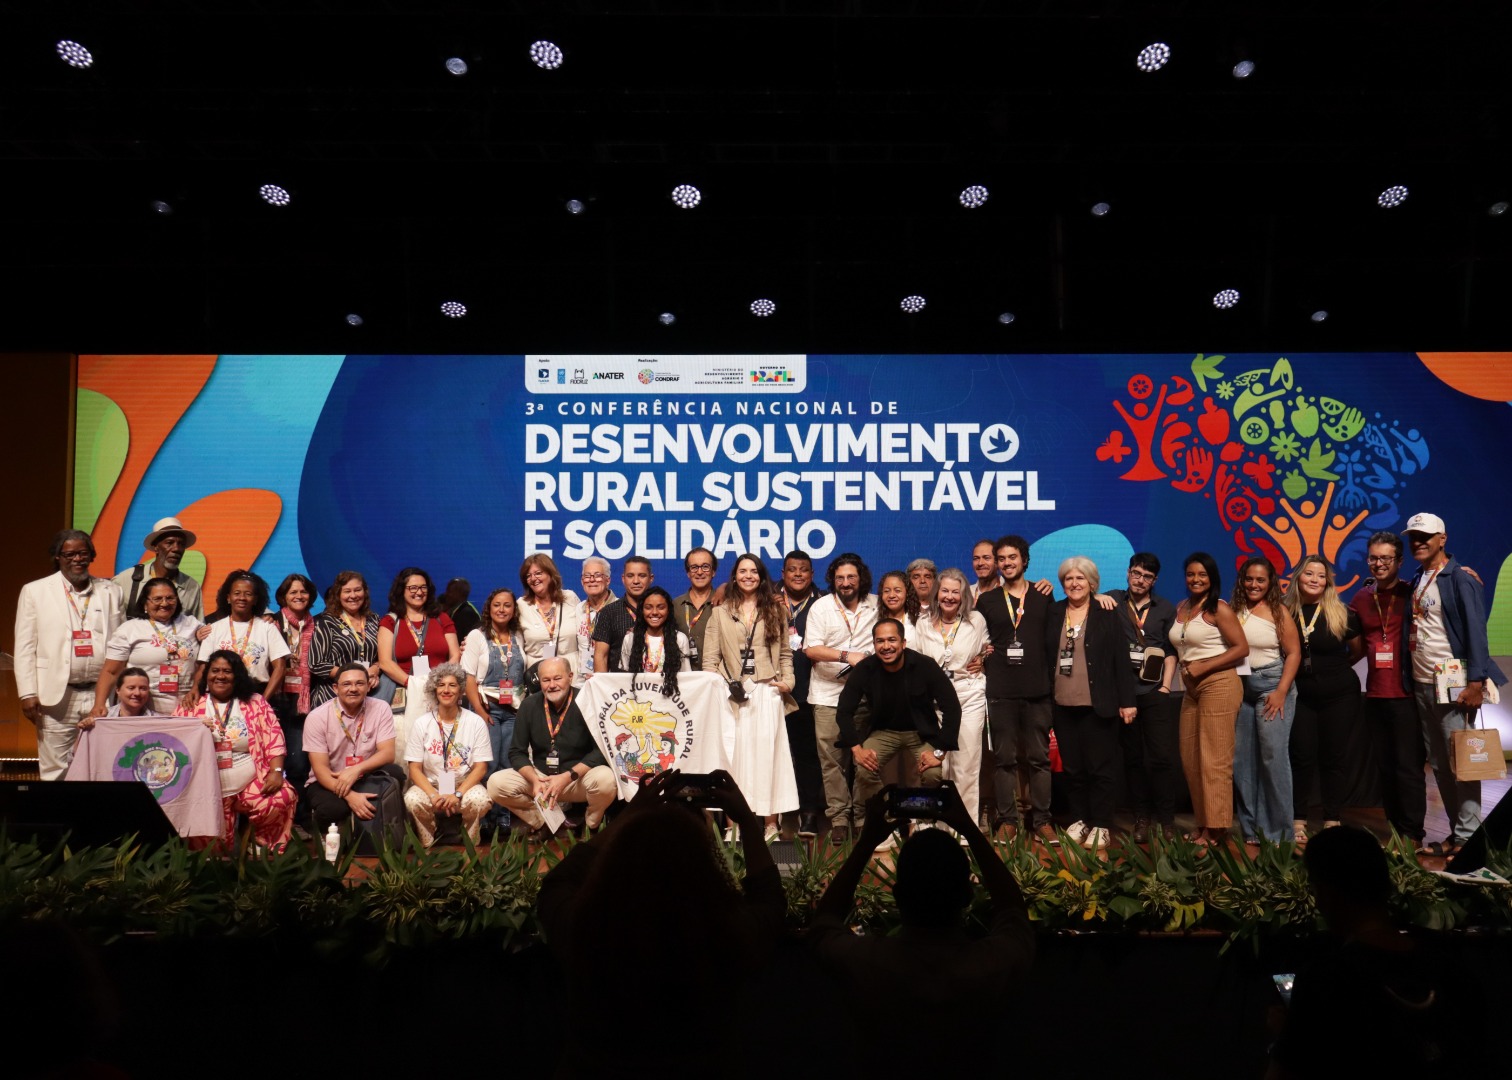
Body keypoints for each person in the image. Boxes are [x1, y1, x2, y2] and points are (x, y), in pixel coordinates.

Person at [537, 770, 785, 1076]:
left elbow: (559, 882)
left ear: (619, 860)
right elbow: (769, 898)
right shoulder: (722, 934)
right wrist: (746, 820)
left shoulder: (588, 930)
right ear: (704, 866)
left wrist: (630, 815)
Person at [808, 783, 1034, 1074]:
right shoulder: (992, 965)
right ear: (967, 896)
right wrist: (971, 831)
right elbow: (1014, 913)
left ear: (898, 896)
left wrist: (866, 843)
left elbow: (823, 923)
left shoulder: (867, 963)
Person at [1266, 825, 1484, 1078]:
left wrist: (1284, 1038)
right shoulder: (1449, 966)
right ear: (1386, 884)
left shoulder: (1327, 978)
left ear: (1326, 893)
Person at [1401, 511, 1507, 857]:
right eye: (1413, 537)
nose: (1418, 543)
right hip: (1421, 682)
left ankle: (1468, 838)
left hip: (1454, 683)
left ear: (1442, 539)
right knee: (1439, 762)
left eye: (1425, 537)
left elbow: (1477, 632)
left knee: (1461, 761)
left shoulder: (1459, 578)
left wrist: (1476, 681)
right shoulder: (1419, 577)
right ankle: (1458, 834)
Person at [835, 618, 961, 847]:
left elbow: (952, 708)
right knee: (863, 769)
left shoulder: (925, 665)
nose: (886, 646)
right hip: (884, 732)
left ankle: (922, 820)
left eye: (892, 640)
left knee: (933, 773)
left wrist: (940, 751)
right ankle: (890, 819)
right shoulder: (865, 668)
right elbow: (844, 711)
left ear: (903, 642)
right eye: (880, 641)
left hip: (921, 734)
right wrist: (856, 749)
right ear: (874, 644)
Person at [702, 555, 798, 841]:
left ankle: (771, 824)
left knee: (769, 758)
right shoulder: (720, 612)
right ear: (733, 577)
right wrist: (719, 686)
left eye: (753, 571)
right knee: (734, 761)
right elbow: (710, 658)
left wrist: (788, 681)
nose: (748, 576)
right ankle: (734, 825)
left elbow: (784, 653)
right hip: (732, 694)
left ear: (761, 576)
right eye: (742, 571)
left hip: (767, 690)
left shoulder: (776, 610)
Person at [1045, 557, 1138, 850]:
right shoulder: (1054, 611)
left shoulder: (1106, 611)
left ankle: (1101, 824)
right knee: (1073, 769)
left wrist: (1127, 701)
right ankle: (1080, 819)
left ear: (1092, 583)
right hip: (1062, 704)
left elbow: (1121, 660)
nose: (1074, 584)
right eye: (1069, 579)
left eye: (1080, 579)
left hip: (1099, 704)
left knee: (1100, 768)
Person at [15, 529, 123, 779]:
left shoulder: (110, 591)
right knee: (56, 769)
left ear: (91, 556)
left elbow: (119, 645)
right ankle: (57, 818)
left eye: (83, 553)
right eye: (70, 554)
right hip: (57, 696)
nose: (77, 559)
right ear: (58, 557)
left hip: (101, 694)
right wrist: (27, 692)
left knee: (103, 764)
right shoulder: (35, 591)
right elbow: (24, 646)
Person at [976, 534, 1056, 842]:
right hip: (1001, 691)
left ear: (1024, 560)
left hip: (1037, 691)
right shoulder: (987, 601)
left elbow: (1052, 641)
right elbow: (979, 641)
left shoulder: (1042, 594)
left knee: (1039, 760)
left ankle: (1042, 821)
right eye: (1001, 559)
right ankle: (1009, 820)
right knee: (1004, 760)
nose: (1007, 563)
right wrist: (979, 656)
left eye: (1012, 557)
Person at [1347, 531, 1424, 846]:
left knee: (1408, 767)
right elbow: (1355, 647)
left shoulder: (1412, 593)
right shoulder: (1360, 599)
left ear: (1399, 561)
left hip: (1406, 695)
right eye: (1373, 558)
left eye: (1385, 558)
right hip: (1375, 695)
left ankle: (1413, 834)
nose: (1378, 564)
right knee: (1386, 768)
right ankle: (1395, 829)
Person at [486, 656, 617, 840]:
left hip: (576, 777)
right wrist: (534, 780)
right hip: (542, 780)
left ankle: (590, 826)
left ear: (570, 677)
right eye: (546, 680)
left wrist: (567, 777)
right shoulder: (529, 705)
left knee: (606, 780)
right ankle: (545, 823)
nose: (552, 685)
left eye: (558, 678)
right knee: (496, 784)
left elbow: (601, 751)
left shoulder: (588, 701)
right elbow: (516, 752)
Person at [178, 649, 295, 852]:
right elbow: (175, 742)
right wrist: (196, 727)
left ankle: (261, 845)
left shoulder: (255, 702)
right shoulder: (192, 703)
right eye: (215, 670)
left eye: (227, 671)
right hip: (205, 790)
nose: (220, 676)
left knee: (282, 796)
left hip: (249, 783)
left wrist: (276, 772)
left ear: (237, 676)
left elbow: (273, 738)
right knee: (216, 853)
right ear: (207, 675)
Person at [1170, 552, 1248, 850]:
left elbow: (1241, 648)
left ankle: (1217, 829)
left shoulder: (1220, 609)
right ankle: (1203, 822)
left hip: (1220, 683)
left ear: (1212, 577)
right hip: (1191, 689)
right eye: (1191, 574)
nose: (1196, 579)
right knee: (1191, 758)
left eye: (1202, 574)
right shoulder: (1183, 607)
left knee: (1215, 759)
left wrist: (1205, 665)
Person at [801, 552, 879, 842]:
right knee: (832, 762)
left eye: (851, 577)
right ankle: (839, 819)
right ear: (833, 580)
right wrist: (849, 656)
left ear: (861, 579)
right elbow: (812, 650)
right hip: (826, 695)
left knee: (863, 760)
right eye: (840, 578)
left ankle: (861, 816)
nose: (845, 583)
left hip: (864, 696)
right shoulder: (821, 607)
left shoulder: (876, 604)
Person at [1284, 555, 1362, 842]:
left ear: (1328, 581)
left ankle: (1332, 818)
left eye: (1321, 575)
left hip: (1340, 696)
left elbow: (1356, 651)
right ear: (1297, 578)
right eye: (1309, 574)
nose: (1315, 579)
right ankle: (1298, 819)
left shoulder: (1343, 613)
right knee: (1301, 757)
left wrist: (1331, 673)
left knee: (1334, 758)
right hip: (1301, 696)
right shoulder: (1284, 611)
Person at [1104, 552, 1180, 842]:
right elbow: (1088, 598)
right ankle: (1141, 818)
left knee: (1161, 759)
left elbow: (1172, 651)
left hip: (1154, 692)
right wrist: (1099, 598)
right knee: (1132, 760)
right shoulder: (1113, 601)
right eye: (1136, 573)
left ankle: (1167, 820)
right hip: (1124, 696)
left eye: (1147, 576)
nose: (1140, 580)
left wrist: (1165, 687)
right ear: (1127, 573)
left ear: (1155, 580)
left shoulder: (1165, 608)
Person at [910, 567, 989, 832]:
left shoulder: (976, 620)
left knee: (966, 765)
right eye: (945, 590)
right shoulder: (922, 623)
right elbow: (915, 662)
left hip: (968, 694)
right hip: (934, 702)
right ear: (936, 593)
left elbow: (989, 648)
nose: (949, 597)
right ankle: (934, 827)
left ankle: (965, 829)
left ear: (964, 595)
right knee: (937, 767)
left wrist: (984, 660)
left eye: (956, 592)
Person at [1231, 557, 1301, 845]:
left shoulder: (1278, 611)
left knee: (1273, 758)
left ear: (1271, 582)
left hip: (1272, 686)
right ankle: (1251, 830)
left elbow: (1294, 653)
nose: (1254, 585)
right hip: (1240, 687)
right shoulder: (1232, 610)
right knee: (1242, 762)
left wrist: (1282, 691)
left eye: (1261, 579)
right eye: (1249, 579)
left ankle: (1279, 833)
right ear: (1242, 580)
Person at [301, 662, 401, 834]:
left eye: (359, 683)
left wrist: (356, 769)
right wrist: (350, 796)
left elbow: (388, 753)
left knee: (395, 773)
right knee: (333, 809)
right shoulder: (317, 717)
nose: (353, 689)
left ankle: (380, 838)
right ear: (335, 688)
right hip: (329, 780)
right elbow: (320, 770)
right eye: (346, 684)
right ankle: (328, 840)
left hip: (364, 775)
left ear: (368, 686)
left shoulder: (381, 708)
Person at [402, 661, 492, 847]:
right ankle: (428, 840)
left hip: (463, 784)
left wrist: (458, 794)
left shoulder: (475, 722)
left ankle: (470, 840)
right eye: (441, 685)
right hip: (431, 784)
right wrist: (434, 795)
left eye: (452, 685)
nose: (446, 690)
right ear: (434, 690)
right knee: (411, 799)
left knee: (480, 800)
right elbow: (415, 769)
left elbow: (481, 767)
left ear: (460, 691)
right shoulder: (422, 723)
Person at [90, 577, 201, 718]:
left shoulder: (192, 624)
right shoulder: (129, 629)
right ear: (145, 604)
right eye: (157, 599)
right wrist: (99, 704)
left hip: (187, 708)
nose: (164, 603)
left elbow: (206, 660)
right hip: (143, 708)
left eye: (170, 598)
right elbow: (111, 671)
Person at [376, 566, 459, 749]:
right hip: (403, 696)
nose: (419, 592)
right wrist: (412, 684)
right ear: (401, 591)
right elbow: (385, 662)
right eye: (412, 588)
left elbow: (455, 654)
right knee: (406, 749)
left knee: (439, 747)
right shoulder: (391, 621)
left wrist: (441, 683)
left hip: (440, 693)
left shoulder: (441, 618)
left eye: (423, 587)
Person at [781, 549, 826, 838]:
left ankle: (809, 812)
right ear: (783, 574)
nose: (798, 574)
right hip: (775, 690)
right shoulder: (768, 600)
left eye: (804, 570)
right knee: (776, 755)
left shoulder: (823, 603)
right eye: (792, 570)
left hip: (811, 690)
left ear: (811, 574)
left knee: (808, 755)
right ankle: (776, 812)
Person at [461, 587, 527, 782]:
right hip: (488, 709)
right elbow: (468, 677)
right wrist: (480, 712)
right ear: (489, 609)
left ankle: (505, 812)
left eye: (507, 605)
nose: (502, 609)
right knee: (488, 763)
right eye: (497, 605)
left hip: (514, 709)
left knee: (509, 763)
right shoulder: (477, 636)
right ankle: (487, 811)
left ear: (514, 610)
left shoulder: (519, 636)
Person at [193, 569, 289, 700]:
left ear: (255, 599)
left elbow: (280, 667)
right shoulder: (214, 629)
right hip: (219, 696)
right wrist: (194, 689)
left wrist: (263, 702)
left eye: (248, 594)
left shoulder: (267, 628)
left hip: (257, 695)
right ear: (228, 598)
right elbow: (203, 666)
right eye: (237, 593)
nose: (242, 598)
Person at [267, 572, 318, 805]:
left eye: (303, 591)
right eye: (293, 592)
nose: (299, 596)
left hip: (304, 701)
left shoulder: (317, 625)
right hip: (276, 699)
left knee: (299, 762)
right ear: (283, 597)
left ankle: (299, 815)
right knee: (273, 759)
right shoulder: (270, 623)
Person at [307, 570, 381, 709]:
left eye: (357, 590)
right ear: (338, 595)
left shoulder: (374, 619)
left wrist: (375, 669)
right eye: (347, 591)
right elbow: (316, 663)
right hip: (331, 696)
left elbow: (383, 655)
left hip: (368, 696)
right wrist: (354, 677)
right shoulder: (327, 621)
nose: (353, 595)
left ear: (364, 592)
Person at [111, 515, 204, 621]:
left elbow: (198, 629)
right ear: (156, 547)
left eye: (181, 544)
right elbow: (111, 624)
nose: (176, 549)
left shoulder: (191, 586)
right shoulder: (126, 580)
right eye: (169, 543)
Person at [518, 553, 580, 678]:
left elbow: (586, 633)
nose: (533, 578)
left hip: (572, 673)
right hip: (538, 675)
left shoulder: (570, 598)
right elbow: (502, 628)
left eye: (538, 573)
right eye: (528, 576)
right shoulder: (521, 605)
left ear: (551, 574)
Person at [592, 555, 652, 673]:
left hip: (656, 685)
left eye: (642, 576)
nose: (636, 581)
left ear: (651, 578)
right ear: (623, 579)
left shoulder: (661, 612)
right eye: (630, 576)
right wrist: (602, 688)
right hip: (620, 688)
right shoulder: (608, 612)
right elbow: (601, 656)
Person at [672, 546, 718, 669]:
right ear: (688, 573)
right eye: (694, 567)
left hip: (716, 676)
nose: (699, 572)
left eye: (705, 567)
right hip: (683, 677)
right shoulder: (674, 605)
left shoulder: (724, 603)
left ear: (713, 572)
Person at [573, 556, 615, 685]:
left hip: (609, 682)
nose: (592, 580)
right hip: (580, 682)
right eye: (587, 576)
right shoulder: (578, 609)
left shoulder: (619, 609)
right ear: (581, 581)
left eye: (597, 575)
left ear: (607, 580)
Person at [79, 667, 155, 726]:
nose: (137, 693)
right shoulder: (100, 719)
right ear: (118, 690)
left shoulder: (158, 721)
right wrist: (86, 727)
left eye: (143, 688)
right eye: (131, 688)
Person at [877, 569, 919, 639]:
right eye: (886, 591)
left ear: (907, 593)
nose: (891, 595)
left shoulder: (919, 621)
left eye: (897, 591)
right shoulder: (873, 619)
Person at [441, 577, 481, 643]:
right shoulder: (454, 610)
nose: (447, 594)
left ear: (462, 594)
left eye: (450, 591)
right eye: (447, 590)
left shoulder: (467, 613)